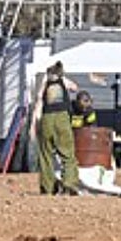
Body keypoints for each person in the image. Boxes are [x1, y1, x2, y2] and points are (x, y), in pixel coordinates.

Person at [37, 60, 80, 195]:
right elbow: (75, 88)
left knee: (45, 155)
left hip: (46, 118)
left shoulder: (44, 84)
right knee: (67, 154)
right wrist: (63, 79)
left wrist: (35, 124)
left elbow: (38, 101)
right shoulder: (63, 82)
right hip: (61, 118)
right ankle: (69, 184)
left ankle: (47, 187)